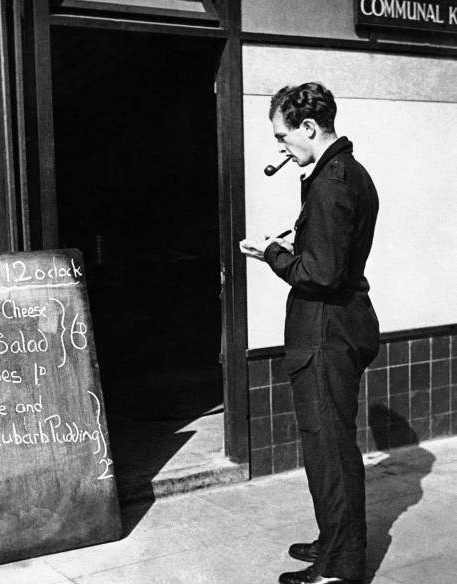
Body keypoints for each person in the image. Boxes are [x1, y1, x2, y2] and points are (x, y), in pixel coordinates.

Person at [240, 82, 380, 584]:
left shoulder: (330, 182)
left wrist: (273, 255)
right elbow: (332, 254)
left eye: (283, 136)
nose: (280, 147)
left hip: (326, 332)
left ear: (308, 127)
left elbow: (320, 273)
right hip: (343, 323)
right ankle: (333, 540)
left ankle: (340, 567)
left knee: (329, 448)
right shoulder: (349, 174)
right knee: (330, 443)